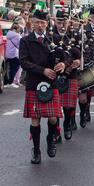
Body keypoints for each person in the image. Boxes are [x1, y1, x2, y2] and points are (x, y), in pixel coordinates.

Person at [19, 10, 66, 164]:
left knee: (53, 118)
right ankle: (37, 150)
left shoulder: (54, 39)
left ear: (47, 24)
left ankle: (51, 139)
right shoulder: (25, 41)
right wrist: (43, 70)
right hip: (34, 84)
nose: (40, 25)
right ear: (32, 23)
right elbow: (24, 62)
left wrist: (63, 64)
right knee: (35, 119)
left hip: (51, 83)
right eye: (37, 22)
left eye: (43, 23)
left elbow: (66, 56)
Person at [53, 10, 81, 140]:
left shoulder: (74, 35)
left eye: (64, 22)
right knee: (55, 106)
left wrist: (79, 60)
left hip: (71, 73)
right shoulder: (50, 35)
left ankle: (67, 124)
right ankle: (57, 130)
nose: (62, 25)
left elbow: (81, 52)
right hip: (55, 74)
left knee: (69, 105)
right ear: (55, 21)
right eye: (59, 22)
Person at [5, 18, 24, 88]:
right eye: (19, 28)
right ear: (16, 29)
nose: (20, 30)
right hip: (15, 54)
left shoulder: (9, 34)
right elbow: (21, 44)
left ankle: (9, 82)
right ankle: (11, 82)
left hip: (9, 53)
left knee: (11, 68)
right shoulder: (17, 36)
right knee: (15, 68)